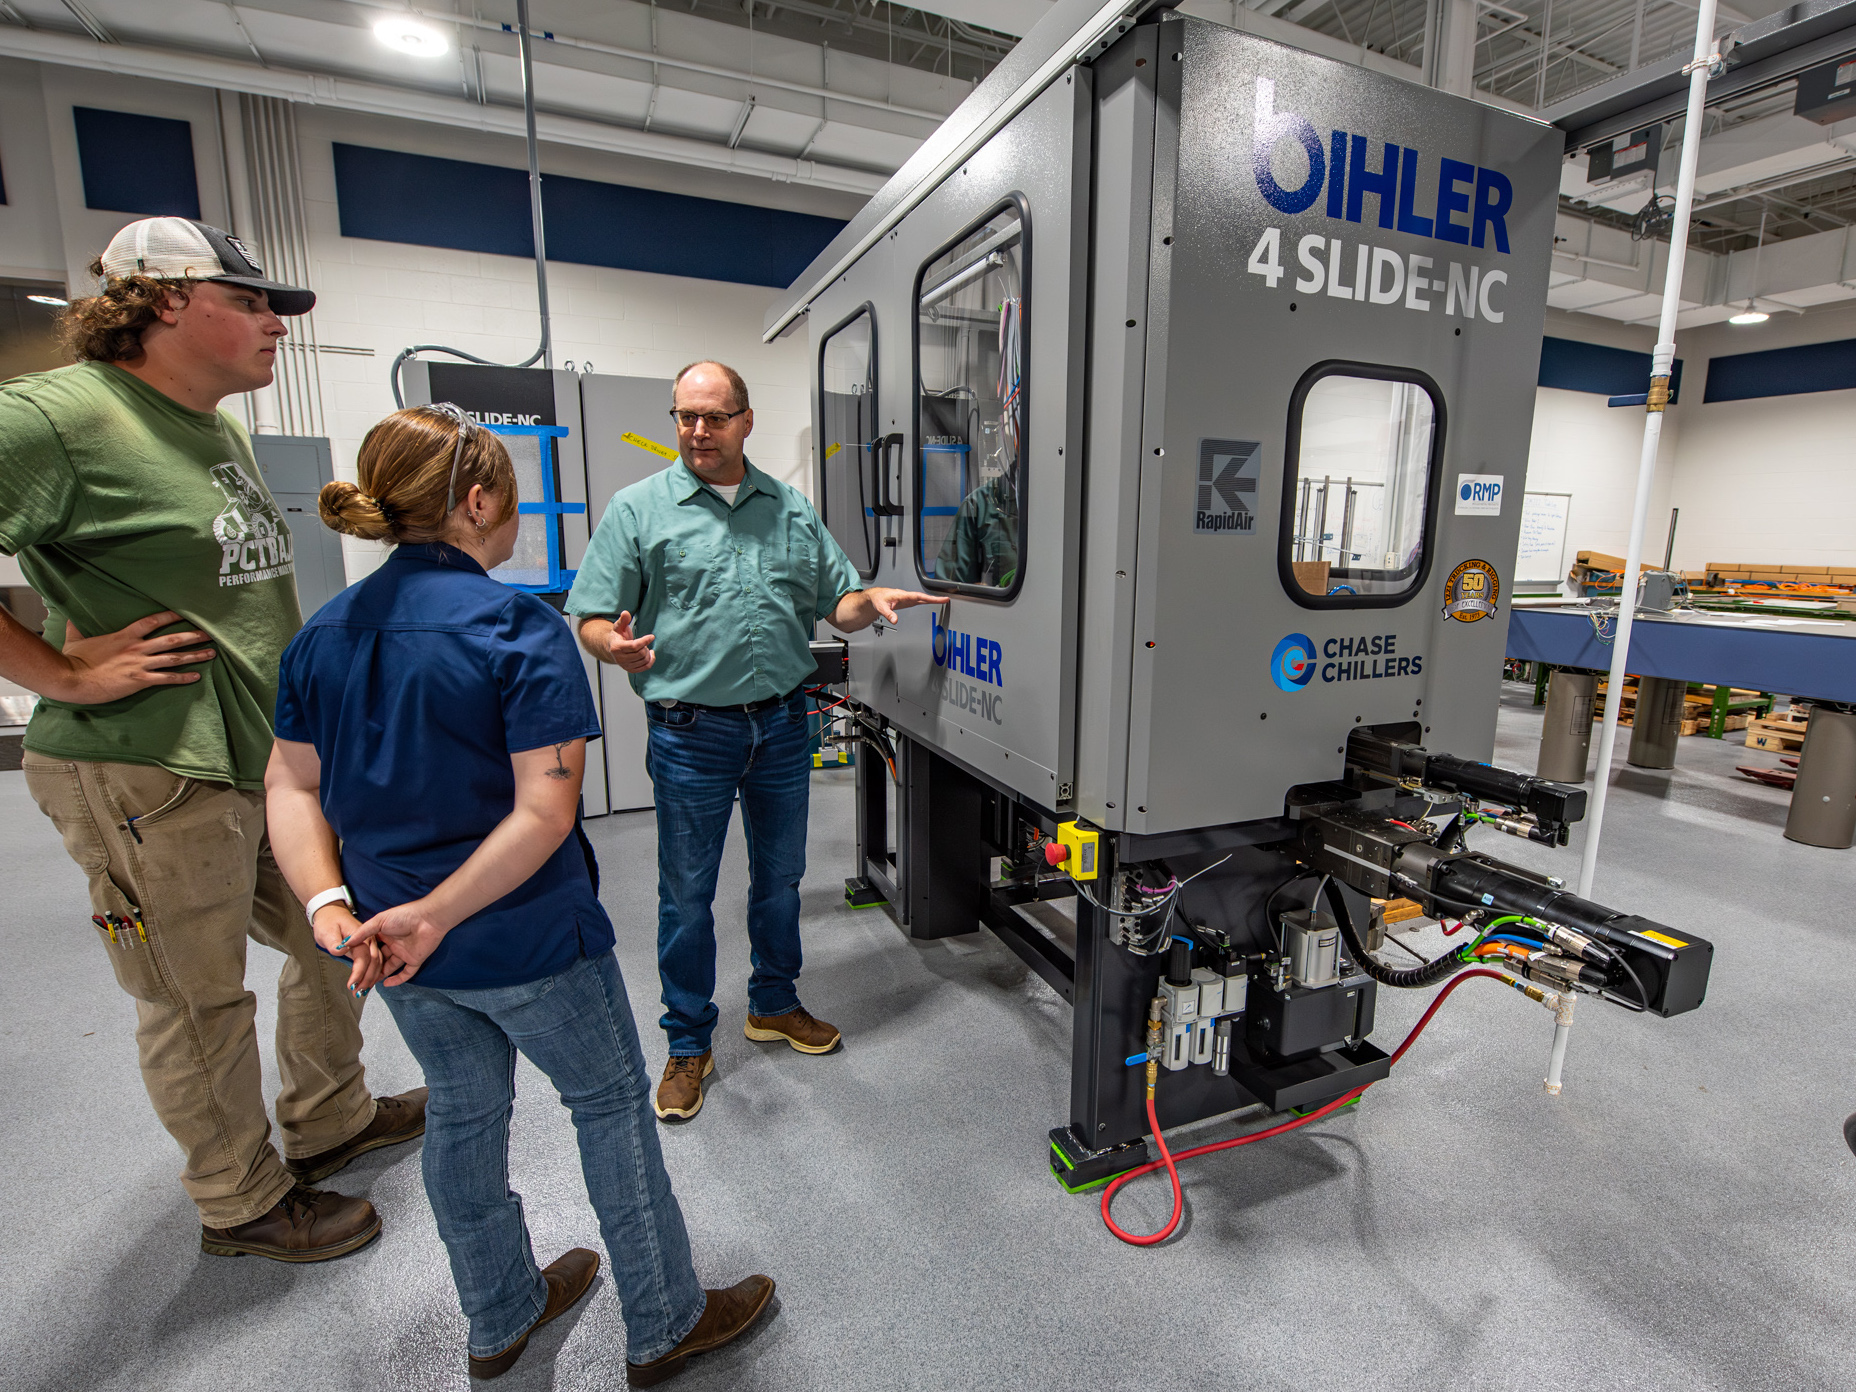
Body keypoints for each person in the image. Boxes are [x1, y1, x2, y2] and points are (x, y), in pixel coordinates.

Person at [268, 404, 772, 1384]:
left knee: (462, 1113)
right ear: (480, 500)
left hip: (391, 940)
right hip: (525, 937)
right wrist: (441, 914)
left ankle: (499, 1315)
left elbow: (291, 786)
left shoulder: (321, 634)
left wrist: (333, 908)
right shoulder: (513, 628)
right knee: (609, 1110)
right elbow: (542, 814)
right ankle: (664, 1321)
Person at [0, 216, 423, 1263]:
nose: (276, 325)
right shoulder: (54, 419)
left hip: (257, 761)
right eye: (253, 304)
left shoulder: (213, 426)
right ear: (164, 302)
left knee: (340, 932)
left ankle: (327, 1119)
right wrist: (59, 671)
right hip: (147, 768)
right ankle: (239, 1201)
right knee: (197, 999)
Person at [568, 360, 946, 1122]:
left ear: (746, 420)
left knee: (780, 881)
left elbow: (834, 604)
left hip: (780, 725)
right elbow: (591, 618)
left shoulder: (789, 509)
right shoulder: (638, 510)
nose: (698, 431)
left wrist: (867, 600)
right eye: (685, 416)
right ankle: (687, 1042)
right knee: (687, 896)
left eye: (714, 416)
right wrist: (614, 646)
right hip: (689, 733)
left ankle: (773, 1003)